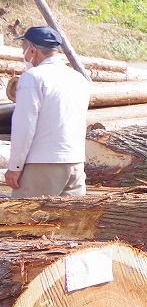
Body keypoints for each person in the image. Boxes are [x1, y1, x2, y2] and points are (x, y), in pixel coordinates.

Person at [5, 26, 91, 198]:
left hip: (42, 163)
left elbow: (24, 125)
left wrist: (15, 166)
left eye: (24, 50)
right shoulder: (78, 78)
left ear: (32, 50)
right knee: (71, 221)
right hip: (75, 161)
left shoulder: (33, 77)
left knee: (25, 221)